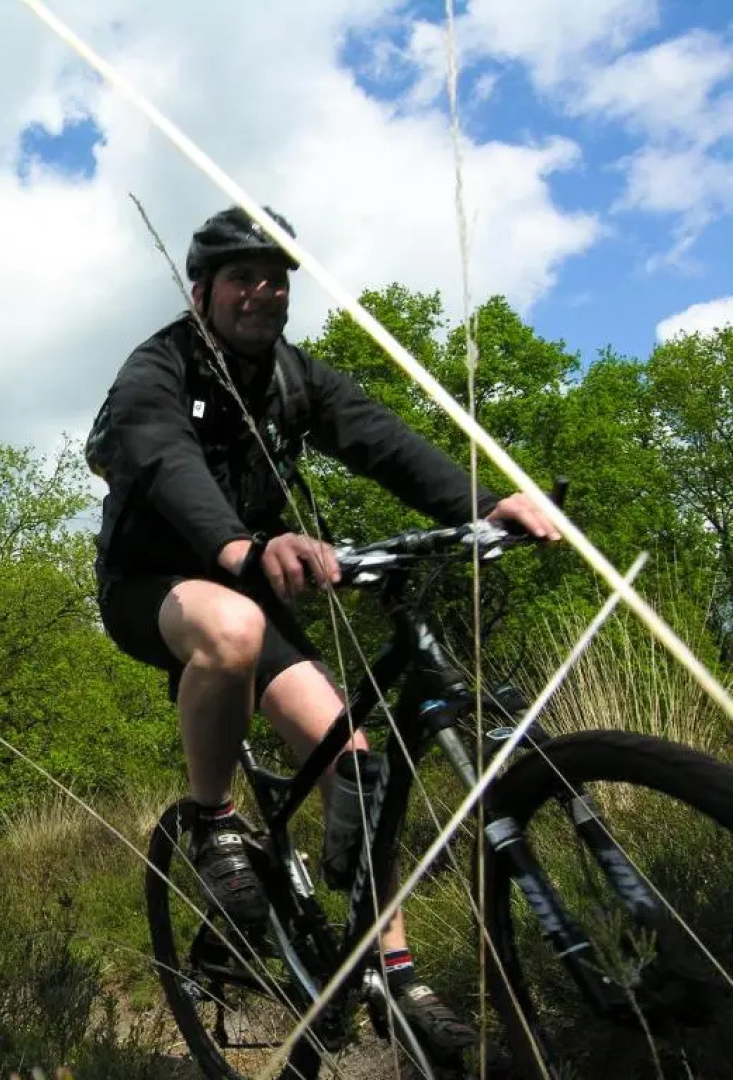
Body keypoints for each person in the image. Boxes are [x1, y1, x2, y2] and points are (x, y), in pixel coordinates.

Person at [85, 204, 561, 1057]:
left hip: (251, 578)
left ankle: (395, 976)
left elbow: (383, 442)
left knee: (357, 759)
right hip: (155, 587)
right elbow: (163, 459)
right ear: (202, 292)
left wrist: (489, 504)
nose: (262, 294)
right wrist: (241, 544)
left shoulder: (297, 377)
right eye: (241, 278)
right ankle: (211, 819)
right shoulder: (154, 369)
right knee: (229, 628)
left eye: (277, 279)